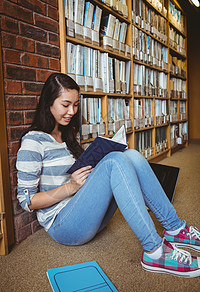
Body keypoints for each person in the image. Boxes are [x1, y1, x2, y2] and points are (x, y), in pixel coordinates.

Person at [16, 73, 200, 278]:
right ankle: (155, 251)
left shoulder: (67, 135)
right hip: (63, 226)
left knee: (131, 154)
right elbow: (27, 201)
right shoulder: (33, 142)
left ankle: (175, 229)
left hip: (86, 212)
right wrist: (70, 187)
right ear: (48, 103)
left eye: (76, 105)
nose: (71, 112)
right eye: (65, 104)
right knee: (115, 161)